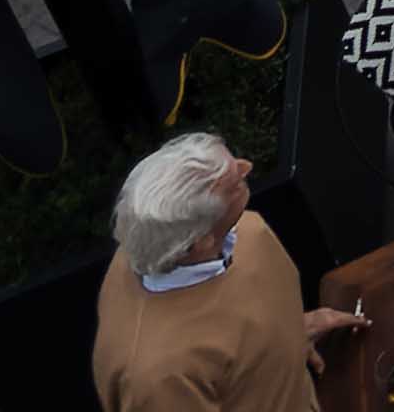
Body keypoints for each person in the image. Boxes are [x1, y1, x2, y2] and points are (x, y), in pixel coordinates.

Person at [91, 131, 364, 412]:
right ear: (199, 242)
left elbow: (236, 331)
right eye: (234, 184)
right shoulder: (158, 378)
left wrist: (289, 335)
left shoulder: (238, 233)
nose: (247, 167)